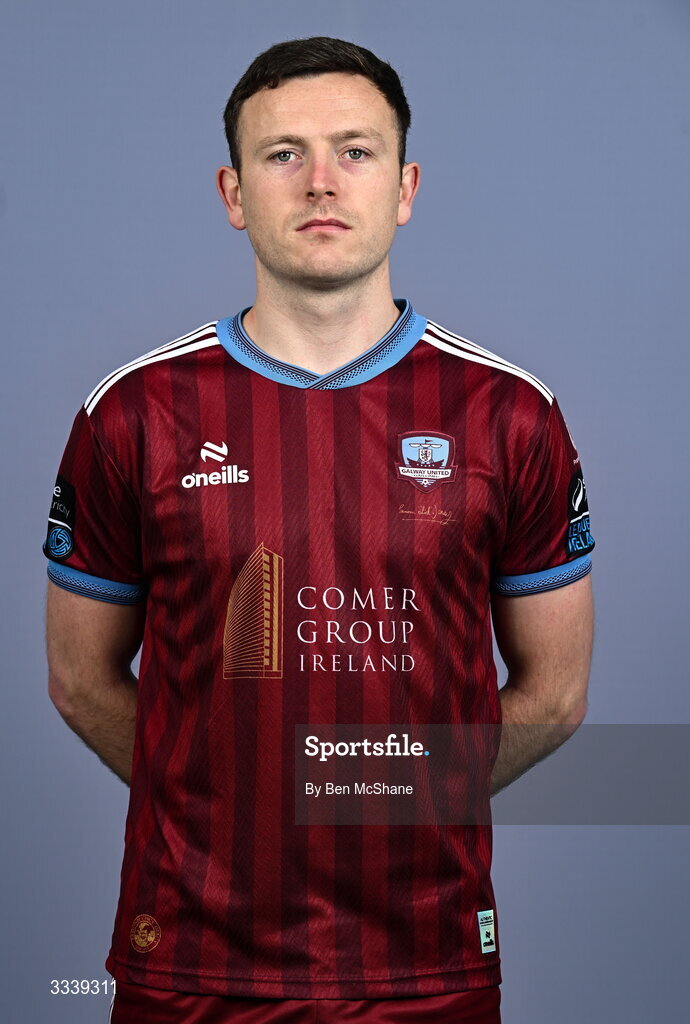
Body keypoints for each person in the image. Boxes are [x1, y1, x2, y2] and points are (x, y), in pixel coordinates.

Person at [44, 36, 595, 1024]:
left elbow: (554, 695)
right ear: (232, 192)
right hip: (190, 966)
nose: (321, 182)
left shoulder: (512, 414)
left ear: (407, 184)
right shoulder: (129, 413)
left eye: (356, 149)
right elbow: (81, 683)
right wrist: (221, 789)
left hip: (426, 965)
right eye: (282, 153)